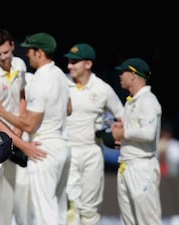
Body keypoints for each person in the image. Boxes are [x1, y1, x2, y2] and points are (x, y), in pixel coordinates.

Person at [0, 32, 71, 225]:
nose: (4, 57)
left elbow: (24, 111)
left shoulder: (27, 71)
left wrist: (20, 136)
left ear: (39, 52)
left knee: (37, 208)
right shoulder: (59, 74)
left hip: (36, 145)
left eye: (7, 52)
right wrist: (20, 138)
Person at [0, 28, 45, 225]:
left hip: (16, 134)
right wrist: (22, 145)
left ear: (13, 46)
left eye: (6, 52)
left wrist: (20, 128)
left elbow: (22, 96)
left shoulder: (20, 64)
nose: (3, 58)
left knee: (12, 195)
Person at [63, 43, 124, 225]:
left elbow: (122, 116)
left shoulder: (102, 88)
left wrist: (114, 132)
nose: (69, 66)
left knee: (90, 208)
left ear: (88, 64)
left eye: (75, 62)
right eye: (69, 61)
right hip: (68, 150)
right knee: (71, 204)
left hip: (92, 151)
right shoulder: (62, 83)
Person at [111, 57, 163, 225]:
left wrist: (123, 133)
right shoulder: (131, 102)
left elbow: (148, 134)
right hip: (126, 165)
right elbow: (134, 132)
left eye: (123, 72)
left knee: (148, 221)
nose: (120, 76)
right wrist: (122, 138)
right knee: (128, 221)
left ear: (133, 75)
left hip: (142, 167)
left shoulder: (148, 100)